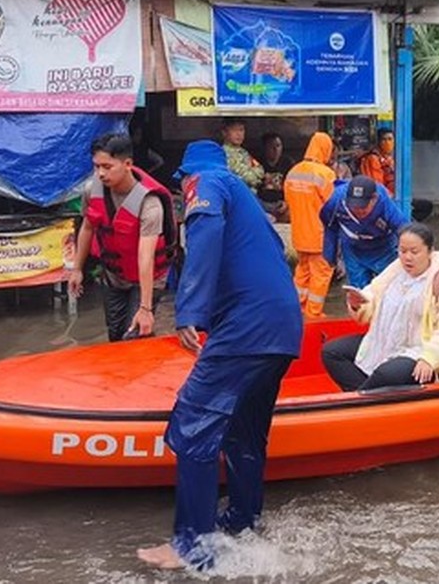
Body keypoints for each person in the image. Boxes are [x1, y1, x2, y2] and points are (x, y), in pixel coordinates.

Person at [137, 140, 302, 571]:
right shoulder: (247, 201)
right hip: (281, 329)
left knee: (192, 426)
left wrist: (189, 311)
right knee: (244, 432)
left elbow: (206, 235)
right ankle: (243, 521)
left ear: (186, 176)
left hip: (246, 331)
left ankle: (191, 547)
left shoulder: (207, 182)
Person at [322, 223, 439, 391]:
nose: (407, 257)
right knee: (332, 352)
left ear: (430, 251)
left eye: (414, 252)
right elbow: (371, 298)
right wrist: (358, 305)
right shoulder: (395, 272)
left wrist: (430, 358)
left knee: (386, 374)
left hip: (421, 350)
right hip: (385, 341)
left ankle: (361, 400)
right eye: (402, 251)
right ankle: (366, 397)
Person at [68, 133, 180, 341]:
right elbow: (87, 228)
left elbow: (145, 256)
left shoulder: (150, 203)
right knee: (115, 335)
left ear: (127, 164)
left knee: (134, 335)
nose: (100, 173)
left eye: (107, 167)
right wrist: (77, 269)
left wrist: (145, 308)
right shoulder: (92, 190)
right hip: (114, 275)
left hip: (148, 276)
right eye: (96, 166)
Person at [320, 175, 408, 289]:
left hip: (383, 248)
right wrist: (330, 256)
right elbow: (330, 226)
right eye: (354, 206)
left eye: (363, 207)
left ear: (374, 199)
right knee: (359, 293)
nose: (358, 210)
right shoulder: (335, 201)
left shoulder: (384, 202)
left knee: (389, 287)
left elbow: (404, 229)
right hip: (353, 250)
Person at [283, 132, 336, 318]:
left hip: (299, 234)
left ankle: (296, 309)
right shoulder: (326, 174)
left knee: (302, 272)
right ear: (326, 149)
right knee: (321, 274)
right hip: (320, 236)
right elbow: (333, 205)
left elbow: (288, 201)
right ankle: (313, 313)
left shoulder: (293, 171)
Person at [257, 132, 294, 223]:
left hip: (281, 203)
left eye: (278, 146)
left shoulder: (288, 163)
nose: (275, 149)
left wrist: (287, 203)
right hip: (262, 204)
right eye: (271, 146)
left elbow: (292, 187)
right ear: (265, 148)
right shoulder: (257, 163)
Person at [220, 119, 263, 191]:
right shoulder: (223, 153)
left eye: (241, 130)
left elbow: (260, 169)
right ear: (224, 132)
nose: (239, 134)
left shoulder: (244, 152)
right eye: (234, 130)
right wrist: (257, 179)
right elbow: (247, 178)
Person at [361, 125, 396, 194]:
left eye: (390, 139)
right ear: (378, 142)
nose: (387, 143)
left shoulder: (390, 158)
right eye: (384, 139)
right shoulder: (373, 159)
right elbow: (377, 184)